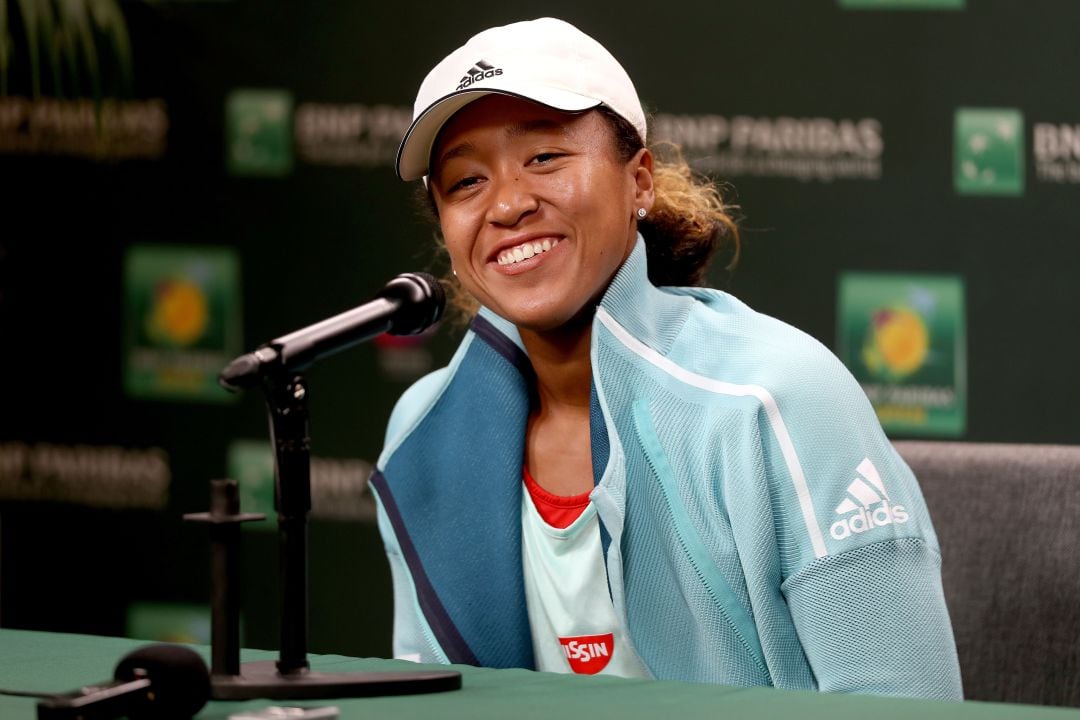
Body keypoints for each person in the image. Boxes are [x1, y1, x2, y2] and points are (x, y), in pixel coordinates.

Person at [370, 17, 962, 699]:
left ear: (640, 181)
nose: (506, 203)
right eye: (466, 182)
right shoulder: (424, 433)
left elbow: (903, 702)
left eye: (545, 158)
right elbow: (427, 702)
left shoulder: (777, 399)